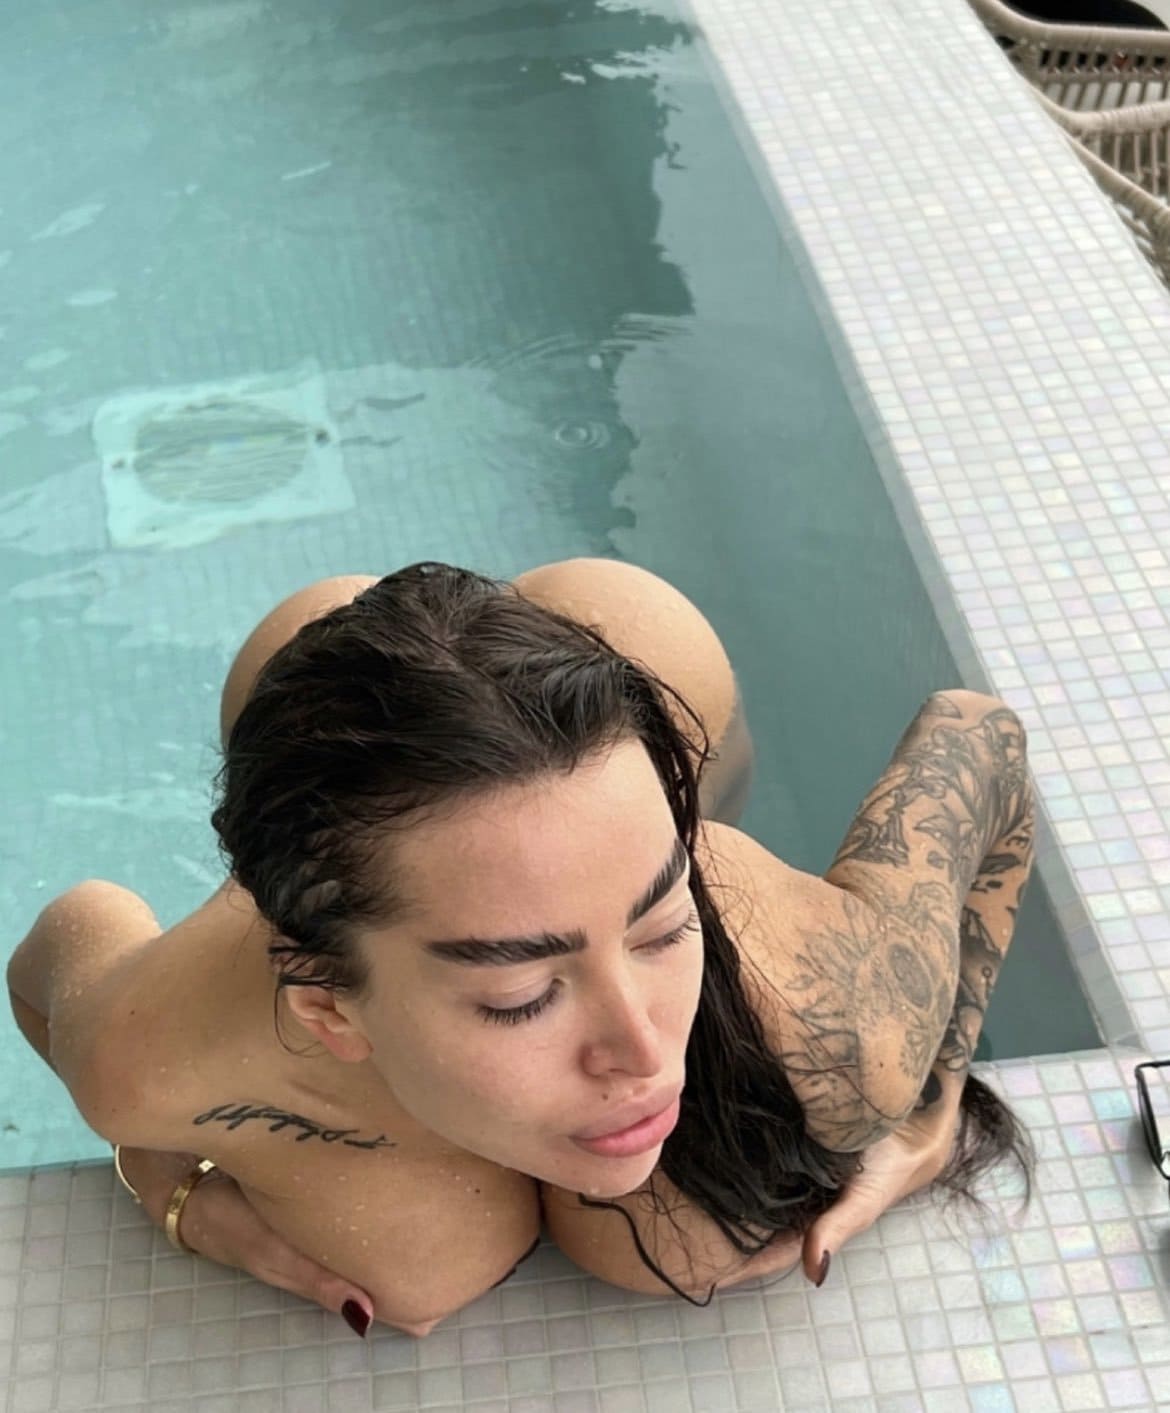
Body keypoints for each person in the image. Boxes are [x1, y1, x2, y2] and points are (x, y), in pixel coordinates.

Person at [7, 558, 1036, 1340]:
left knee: (690, 1235)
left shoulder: (830, 1007)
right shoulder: (154, 1055)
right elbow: (52, 953)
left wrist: (928, 1104)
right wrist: (165, 1171)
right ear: (328, 1007)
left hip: (628, 647)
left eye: (663, 927)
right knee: (416, 1267)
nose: (644, 1053)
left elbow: (981, 738)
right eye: (522, 995)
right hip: (332, 725)